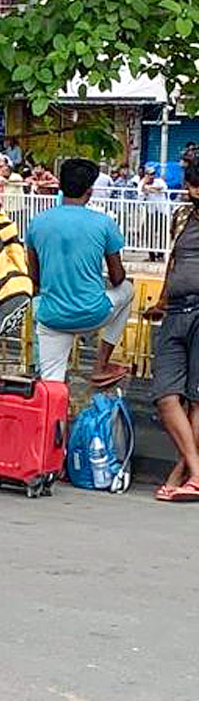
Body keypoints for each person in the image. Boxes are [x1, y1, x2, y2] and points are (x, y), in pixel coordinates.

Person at [25, 158, 132, 386]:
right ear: (90, 190)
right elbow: (117, 277)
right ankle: (101, 364)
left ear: (61, 188)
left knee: (51, 385)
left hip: (52, 316)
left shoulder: (37, 223)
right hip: (93, 313)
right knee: (128, 289)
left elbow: (33, 279)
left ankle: (55, 419)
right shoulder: (104, 223)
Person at [148, 164, 199, 501]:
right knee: (166, 395)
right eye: (193, 187)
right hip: (176, 309)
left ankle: (185, 473)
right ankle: (195, 472)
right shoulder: (181, 216)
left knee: (196, 398)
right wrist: (164, 299)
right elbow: (173, 262)